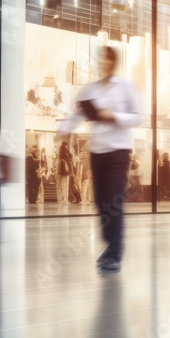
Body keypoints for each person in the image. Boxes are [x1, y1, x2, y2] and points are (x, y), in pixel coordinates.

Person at [57, 46, 143, 274]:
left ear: (113, 63)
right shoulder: (90, 90)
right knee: (100, 202)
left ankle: (115, 252)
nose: (102, 64)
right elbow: (77, 113)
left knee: (113, 200)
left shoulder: (125, 88)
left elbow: (139, 116)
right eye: (100, 61)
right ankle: (110, 245)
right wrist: (63, 129)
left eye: (107, 60)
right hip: (98, 153)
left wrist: (113, 115)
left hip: (118, 152)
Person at [57, 140, 73, 204]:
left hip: (61, 171)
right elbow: (71, 157)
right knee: (66, 186)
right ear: (66, 146)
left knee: (61, 185)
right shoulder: (67, 151)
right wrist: (68, 151)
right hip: (66, 171)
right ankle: (66, 200)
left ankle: (61, 200)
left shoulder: (60, 152)